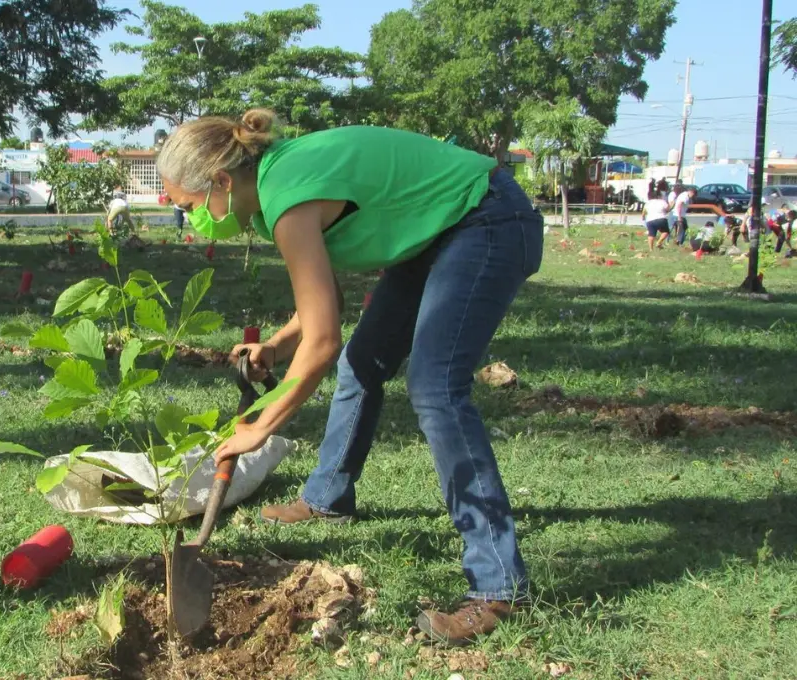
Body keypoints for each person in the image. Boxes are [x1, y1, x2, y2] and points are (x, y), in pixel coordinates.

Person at [157, 110, 543, 647]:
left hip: (486, 218)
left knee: (436, 389)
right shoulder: (274, 192)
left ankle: (499, 586)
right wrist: (276, 344)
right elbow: (323, 305)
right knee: (364, 364)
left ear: (222, 181)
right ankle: (327, 497)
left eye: (191, 208)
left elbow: (322, 340)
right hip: (441, 230)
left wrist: (259, 428)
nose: (193, 220)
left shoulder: (287, 196)